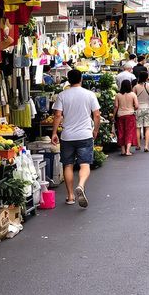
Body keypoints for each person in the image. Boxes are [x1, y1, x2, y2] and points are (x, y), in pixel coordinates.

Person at [50, 69, 100, 208]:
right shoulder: (90, 94)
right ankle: (81, 185)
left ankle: (71, 196)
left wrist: (54, 132)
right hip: (85, 134)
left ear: (68, 80)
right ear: (81, 79)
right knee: (85, 164)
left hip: (67, 136)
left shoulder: (62, 95)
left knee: (68, 165)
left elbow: (58, 115)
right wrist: (95, 130)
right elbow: (96, 115)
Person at [114, 79, 140, 156]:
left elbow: (116, 106)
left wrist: (114, 115)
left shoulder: (118, 95)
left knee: (121, 132)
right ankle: (128, 150)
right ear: (130, 86)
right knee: (129, 132)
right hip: (130, 115)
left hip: (120, 115)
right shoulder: (132, 95)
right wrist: (133, 109)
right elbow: (137, 106)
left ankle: (122, 150)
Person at [133, 72, 149, 152]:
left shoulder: (135, 87)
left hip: (138, 109)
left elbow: (133, 98)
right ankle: (146, 146)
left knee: (138, 128)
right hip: (148, 108)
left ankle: (138, 145)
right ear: (147, 78)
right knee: (148, 128)